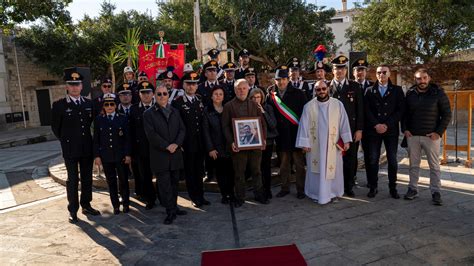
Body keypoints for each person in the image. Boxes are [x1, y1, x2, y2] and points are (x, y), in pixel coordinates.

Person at [51, 67, 100, 224]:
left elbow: (92, 124)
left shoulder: (89, 103)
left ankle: (86, 205)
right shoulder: (59, 105)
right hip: (70, 149)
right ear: (67, 86)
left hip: (86, 147)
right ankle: (73, 209)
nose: (74, 87)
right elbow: (55, 128)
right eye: (71, 84)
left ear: (81, 86)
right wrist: (66, 140)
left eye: (77, 84)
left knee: (87, 179)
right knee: (72, 179)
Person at [296, 80, 352, 204]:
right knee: (317, 171)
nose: (321, 91)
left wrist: (346, 140)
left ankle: (333, 193)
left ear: (328, 89)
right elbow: (303, 125)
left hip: (333, 144)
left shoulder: (337, 104)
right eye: (318, 89)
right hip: (316, 146)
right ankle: (316, 194)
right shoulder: (309, 106)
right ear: (315, 91)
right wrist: (304, 143)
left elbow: (344, 123)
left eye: (323, 88)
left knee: (334, 170)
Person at [402, 68, 452, 206]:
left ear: (429, 78)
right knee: (413, 165)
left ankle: (436, 191)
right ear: (415, 79)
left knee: (434, 166)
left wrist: (438, 132)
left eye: (424, 78)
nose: (422, 81)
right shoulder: (410, 94)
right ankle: (412, 189)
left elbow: (447, 114)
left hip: (431, 137)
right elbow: (404, 114)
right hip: (413, 136)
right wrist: (405, 129)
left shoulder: (438, 93)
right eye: (419, 78)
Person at [143, 84, 188, 224]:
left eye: (164, 94)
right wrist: (167, 146)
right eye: (159, 94)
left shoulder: (175, 111)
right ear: (154, 96)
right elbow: (151, 135)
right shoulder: (148, 114)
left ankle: (174, 207)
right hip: (160, 156)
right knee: (164, 186)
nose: (162, 96)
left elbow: (182, 129)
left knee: (175, 183)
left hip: (175, 154)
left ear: (168, 96)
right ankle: (169, 211)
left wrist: (176, 144)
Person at [222, 79, 268, 207]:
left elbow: (262, 124)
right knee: (239, 173)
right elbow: (225, 126)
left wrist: (263, 138)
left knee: (256, 171)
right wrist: (231, 142)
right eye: (238, 89)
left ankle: (259, 195)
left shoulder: (255, 105)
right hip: (238, 147)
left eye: (244, 88)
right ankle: (240, 197)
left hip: (255, 145)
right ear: (235, 90)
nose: (241, 91)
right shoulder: (228, 106)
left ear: (248, 89)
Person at [364, 65, 405, 199]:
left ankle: (393, 187)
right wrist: (376, 124)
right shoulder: (369, 90)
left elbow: (400, 110)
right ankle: (373, 186)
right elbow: (367, 110)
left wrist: (387, 124)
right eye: (379, 72)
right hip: (373, 130)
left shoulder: (397, 90)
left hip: (391, 130)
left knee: (392, 160)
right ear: (376, 75)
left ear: (389, 74)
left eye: (384, 72)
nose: (381, 74)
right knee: (373, 159)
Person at [267, 66, 307, 199]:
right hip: (282, 136)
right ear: (275, 80)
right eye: (278, 79)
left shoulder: (299, 93)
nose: (281, 82)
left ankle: (301, 189)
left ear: (288, 79)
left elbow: (305, 115)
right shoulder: (272, 96)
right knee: (284, 165)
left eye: (284, 79)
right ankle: (285, 188)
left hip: (296, 135)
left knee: (299, 165)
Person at [172, 71, 210, 208]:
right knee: (190, 172)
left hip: (200, 143)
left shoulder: (200, 100)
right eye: (188, 84)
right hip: (187, 144)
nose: (191, 87)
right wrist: (179, 143)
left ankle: (201, 195)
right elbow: (176, 125)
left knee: (199, 171)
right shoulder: (178, 103)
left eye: (194, 84)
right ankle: (193, 196)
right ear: (183, 85)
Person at [329, 55, 364, 197]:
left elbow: (360, 109)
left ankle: (348, 186)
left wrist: (359, 129)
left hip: (349, 131)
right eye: (337, 68)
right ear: (333, 70)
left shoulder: (355, 86)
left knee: (350, 159)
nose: (340, 71)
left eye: (342, 68)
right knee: (333, 159)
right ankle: (332, 186)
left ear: (346, 70)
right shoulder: (327, 86)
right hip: (331, 131)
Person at [93, 94, 131, 214]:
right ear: (103, 106)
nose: (109, 107)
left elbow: (127, 138)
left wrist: (128, 154)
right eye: (106, 104)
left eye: (112, 104)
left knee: (124, 180)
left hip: (120, 156)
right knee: (111, 182)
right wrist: (97, 156)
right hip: (106, 156)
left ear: (115, 105)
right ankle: (115, 205)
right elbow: (96, 140)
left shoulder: (123, 118)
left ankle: (125, 203)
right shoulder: (99, 119)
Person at [202, 86, 235, 204]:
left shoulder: (229, 108)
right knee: (220, 173)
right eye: (215, 94)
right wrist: (210, 148)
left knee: (231, 172)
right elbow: (205, 131)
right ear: (211, 96)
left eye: (220, 94)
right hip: (216, 147)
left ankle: (231, 193)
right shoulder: (207, 111)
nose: (218, 96)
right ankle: (224, 194)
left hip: (229, 145)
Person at [129, 81, 158, 209]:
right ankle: (149, 199)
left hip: (158, 148)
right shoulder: (134, 109)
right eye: (143, 93)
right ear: (139, 94)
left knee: (161, 174)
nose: (146, 95)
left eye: (148, 92)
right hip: (141, 149)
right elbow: (130, 131)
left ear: (153, 94)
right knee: (145, 175)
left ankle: (164, 197)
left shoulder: (159, 106)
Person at [249, 88, 278, 199]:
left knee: (266, 167)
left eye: (258, 97)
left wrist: (263, 112)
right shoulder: (248, 108)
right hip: (254, 142)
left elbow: (273, 125)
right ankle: (258, 189)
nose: (256, 99)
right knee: (257, 167)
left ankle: (267, 189)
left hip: (268, 142)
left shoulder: (268, 108)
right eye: (254, 97)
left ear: (262, 97)